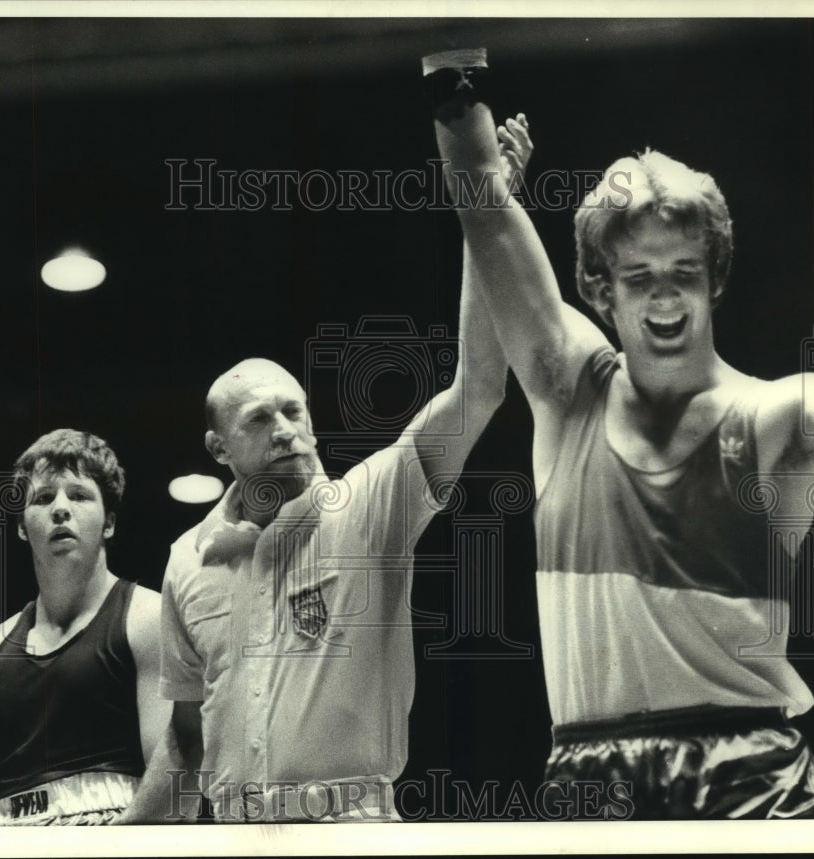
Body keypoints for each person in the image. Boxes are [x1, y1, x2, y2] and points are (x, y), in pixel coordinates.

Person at [423, 47, 814, 819]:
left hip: (749, 771)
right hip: (591, 776)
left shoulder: (777, 416)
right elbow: (483, 209)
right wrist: (452, 63)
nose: (666, 299)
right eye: (640, 276)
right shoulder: (567, 388)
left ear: (713, 277)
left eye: (683, 271)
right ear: (597, 287)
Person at [117, 144, 533, 822]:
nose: (285, 428)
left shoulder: (370, 504)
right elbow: (186, 741)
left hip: (352, 829)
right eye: (260, 418)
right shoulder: (186, 560)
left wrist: (485, 211)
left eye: (294, 410)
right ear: (217, 447)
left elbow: (480, 388)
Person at [0, 429, 170, 825]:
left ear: (109, 522)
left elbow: (170, 781)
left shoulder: (149, 618)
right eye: (44, 498)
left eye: (79, 496)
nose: (60, 509)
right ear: (21, 527)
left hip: (117, 840)